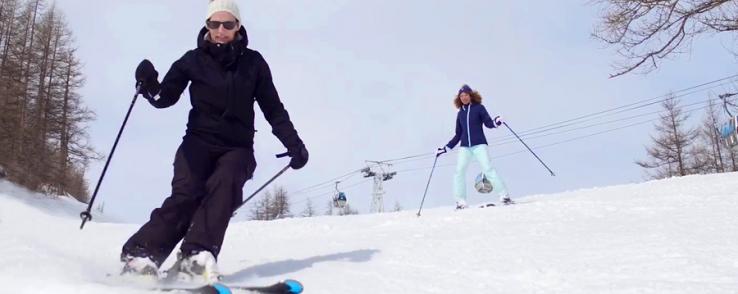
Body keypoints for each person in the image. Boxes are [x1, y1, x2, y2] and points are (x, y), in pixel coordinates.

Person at [120, 0, 308, 283]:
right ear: (207, 26)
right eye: (214, 24)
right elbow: (164, 97)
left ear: (238, 27)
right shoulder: (191, 61)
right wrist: (148, 85)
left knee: (225, 186)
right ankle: (141, 256)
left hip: (237, 148)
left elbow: (273, 109)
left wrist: (294, 144)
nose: (221, 30)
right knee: (186, 195)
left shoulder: (253, 64)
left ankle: (195, 257)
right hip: (196, 144)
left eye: (228, 24)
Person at [437, 84, 512, 209]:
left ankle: (504, 196)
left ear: (471, 95)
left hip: (479, 145)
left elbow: (488, 123)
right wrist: (445, 149)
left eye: (466, 95)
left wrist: (496, 122)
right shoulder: (460, 114)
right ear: (459, 98)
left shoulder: (479, 108)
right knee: (459, 171)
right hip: (465, 147)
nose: (464, 97)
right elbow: (458, 135)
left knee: (488, 169)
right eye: (461, 96)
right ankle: (460, 201)